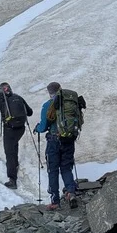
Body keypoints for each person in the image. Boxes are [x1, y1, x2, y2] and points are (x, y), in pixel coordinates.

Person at [35, 82, 85, 210]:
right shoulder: (71, 102)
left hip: (53, 141)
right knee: (66, 168)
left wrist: (37, 128)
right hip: (69, 139)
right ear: (60, 89)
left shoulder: (48, 105)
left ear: (49, 92)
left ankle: (55, 201)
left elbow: (43, 126)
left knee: (53, 170)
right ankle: (71, 192)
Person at [0, 82, 33, 189]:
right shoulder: (18, 98)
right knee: (14, 144)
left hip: (9, 129)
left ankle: (12, 180)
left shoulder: (0, 100)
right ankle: (15, 165)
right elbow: (30, 112)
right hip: (21, 128)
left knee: (9, 152)